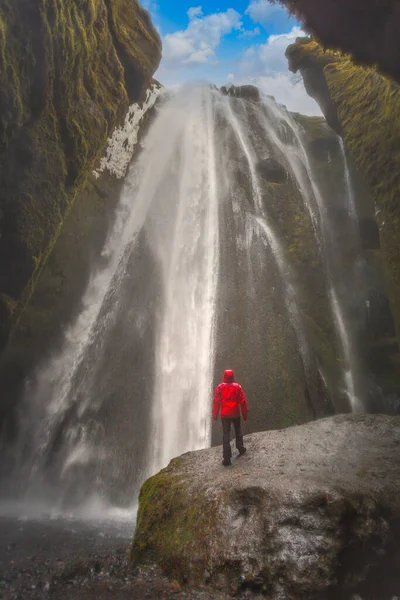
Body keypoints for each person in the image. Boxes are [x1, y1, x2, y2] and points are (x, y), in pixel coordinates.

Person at [213, 369, 248, 466]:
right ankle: (240, 447)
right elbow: (243, 401)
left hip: (225, 415)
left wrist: (215, 414)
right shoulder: (237, 387)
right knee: (238, 430)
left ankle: (227, 458)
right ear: (233, 377)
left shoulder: (220, 387)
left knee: (226, 435)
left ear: (224, 377)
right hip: (235, 413)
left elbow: (216, 401)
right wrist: (244, 415)